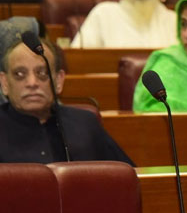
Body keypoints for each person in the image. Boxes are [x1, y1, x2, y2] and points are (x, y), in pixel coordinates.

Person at [0, 38, 133, 164]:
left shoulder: (85, 123)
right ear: (4, 83)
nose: (32, 83)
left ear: (59, 81)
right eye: (19, 74)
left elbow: (129, 177)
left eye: (42, 73)